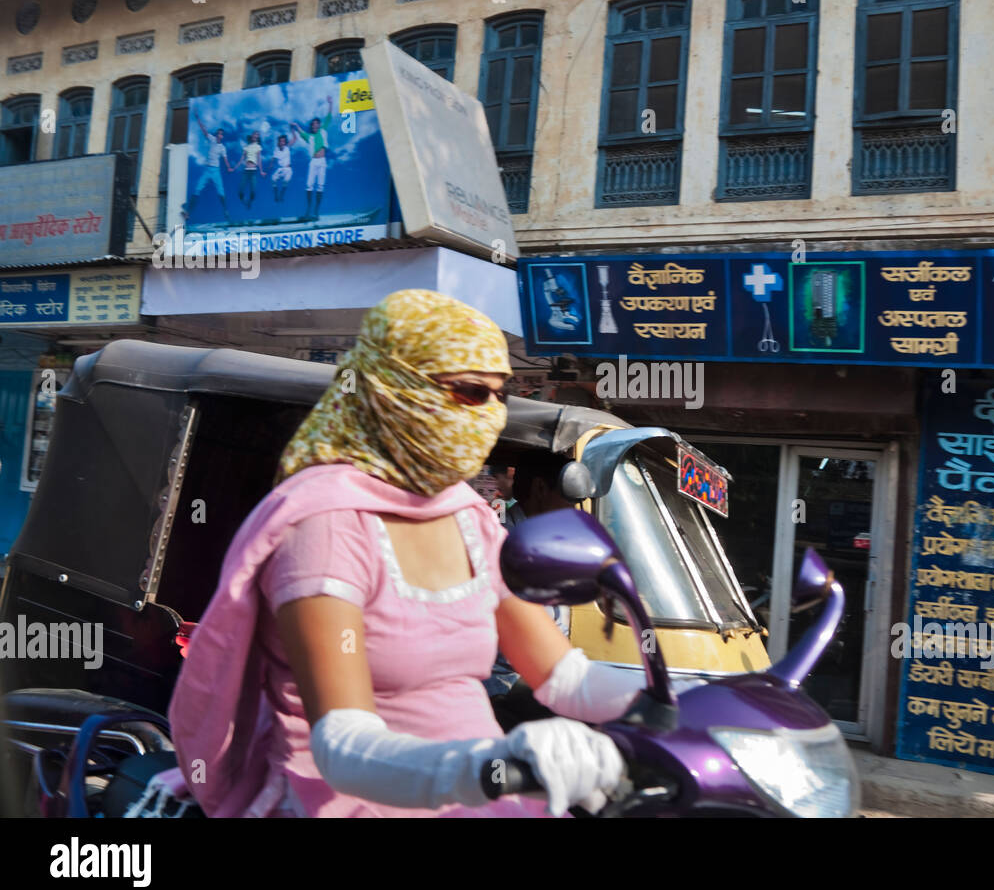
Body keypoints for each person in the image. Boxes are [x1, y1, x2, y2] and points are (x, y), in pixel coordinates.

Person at [167, 290, 661, 818]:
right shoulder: (326, 523)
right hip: (349, 802)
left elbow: (565, 678)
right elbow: (344, 746)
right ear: (393, 388)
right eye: (472, 392)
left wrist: (706, 704)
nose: (490, 415)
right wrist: (490, 765)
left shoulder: (468, 516)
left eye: (500, 396)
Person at [486, 453, 578, 730]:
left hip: (535, 671)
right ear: (540, 488)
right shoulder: (503, 540)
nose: (574, 508)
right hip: (501, 683)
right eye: (569, 497)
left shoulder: (549, 541)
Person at [290, 94, 332, 220]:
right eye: (313, 124)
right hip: (313, 162)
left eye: (316, 124)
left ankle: (316, 211)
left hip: (322, 161)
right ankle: (308, 210)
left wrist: (330, 103)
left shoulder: (323, 131)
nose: (315, 125)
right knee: (309, 186)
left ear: (319, 125)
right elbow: (300, 131)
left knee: (320, 186)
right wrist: (295, 126)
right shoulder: (309, 136)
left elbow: (329, 117)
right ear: (311, 126)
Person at [189, 120, 233, 223]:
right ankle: (188, 212)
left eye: (221, 134)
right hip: (207, 170)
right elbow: (204, 130)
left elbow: (225, 159)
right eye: (218, 133)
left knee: (221, 191)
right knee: (197, 189)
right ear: (216, 135)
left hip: (216, 171)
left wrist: (228, 167)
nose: (219, 135)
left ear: (222, 137)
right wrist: (198, 118)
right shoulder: (212, 139)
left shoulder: (222, 148)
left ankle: (225, 211)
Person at [237, 132, 266, 210]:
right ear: (251, 136)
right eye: (254, 134)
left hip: (253, 171)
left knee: (253, 192)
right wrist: (234, 167)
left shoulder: (258, 147)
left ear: (257, 138)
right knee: (240, 192)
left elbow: (259, 160)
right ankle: (245, 202)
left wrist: (261, 171)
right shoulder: (247, 147)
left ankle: (249, 202)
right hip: (246, 171)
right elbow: (241, 159)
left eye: (257, 135)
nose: (255, 136)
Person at [270, 132, 296, 203]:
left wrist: (292, 130)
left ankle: (281, 195)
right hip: (280, 169)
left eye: (283, 141)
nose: (282, 143)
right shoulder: (276, 149)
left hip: (288, 169)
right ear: (279, 142)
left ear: (285, 142)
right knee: (273, 179)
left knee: (286, 180)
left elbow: (295, 139)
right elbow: (273, 157)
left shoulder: (287, 148)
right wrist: (271, 164)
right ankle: (276, 195)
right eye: (280, 141)